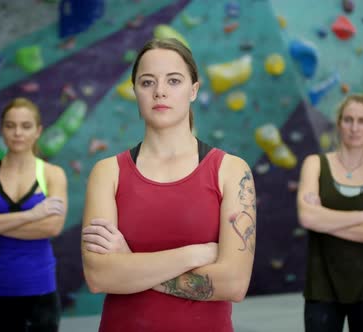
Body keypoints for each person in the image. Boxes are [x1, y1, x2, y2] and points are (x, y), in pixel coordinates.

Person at [80, 38, 256, 332]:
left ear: (194, 90)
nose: (160, 91)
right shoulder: (107, 173)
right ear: (135, 91)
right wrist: (192, 255)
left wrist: (130, 264)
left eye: (173, 81)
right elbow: (100, 277)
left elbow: (233, 284)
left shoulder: (231, 170)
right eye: (147, 82)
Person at [0, 97, 68, 332]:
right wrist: (33, 214)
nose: (17, 133)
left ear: (38, 131)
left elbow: (51, 228)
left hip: (39, 286)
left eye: (26, 126)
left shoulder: (53, 174)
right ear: (2, 130)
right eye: (10, 126)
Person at [297, 94, 363, 332]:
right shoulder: (315, 164)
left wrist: (325, 217)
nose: (354, 128)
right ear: (339, 123)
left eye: (362, 121)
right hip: (322, 287)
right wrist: (361, 217)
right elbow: (308, 217)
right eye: (348, 119)